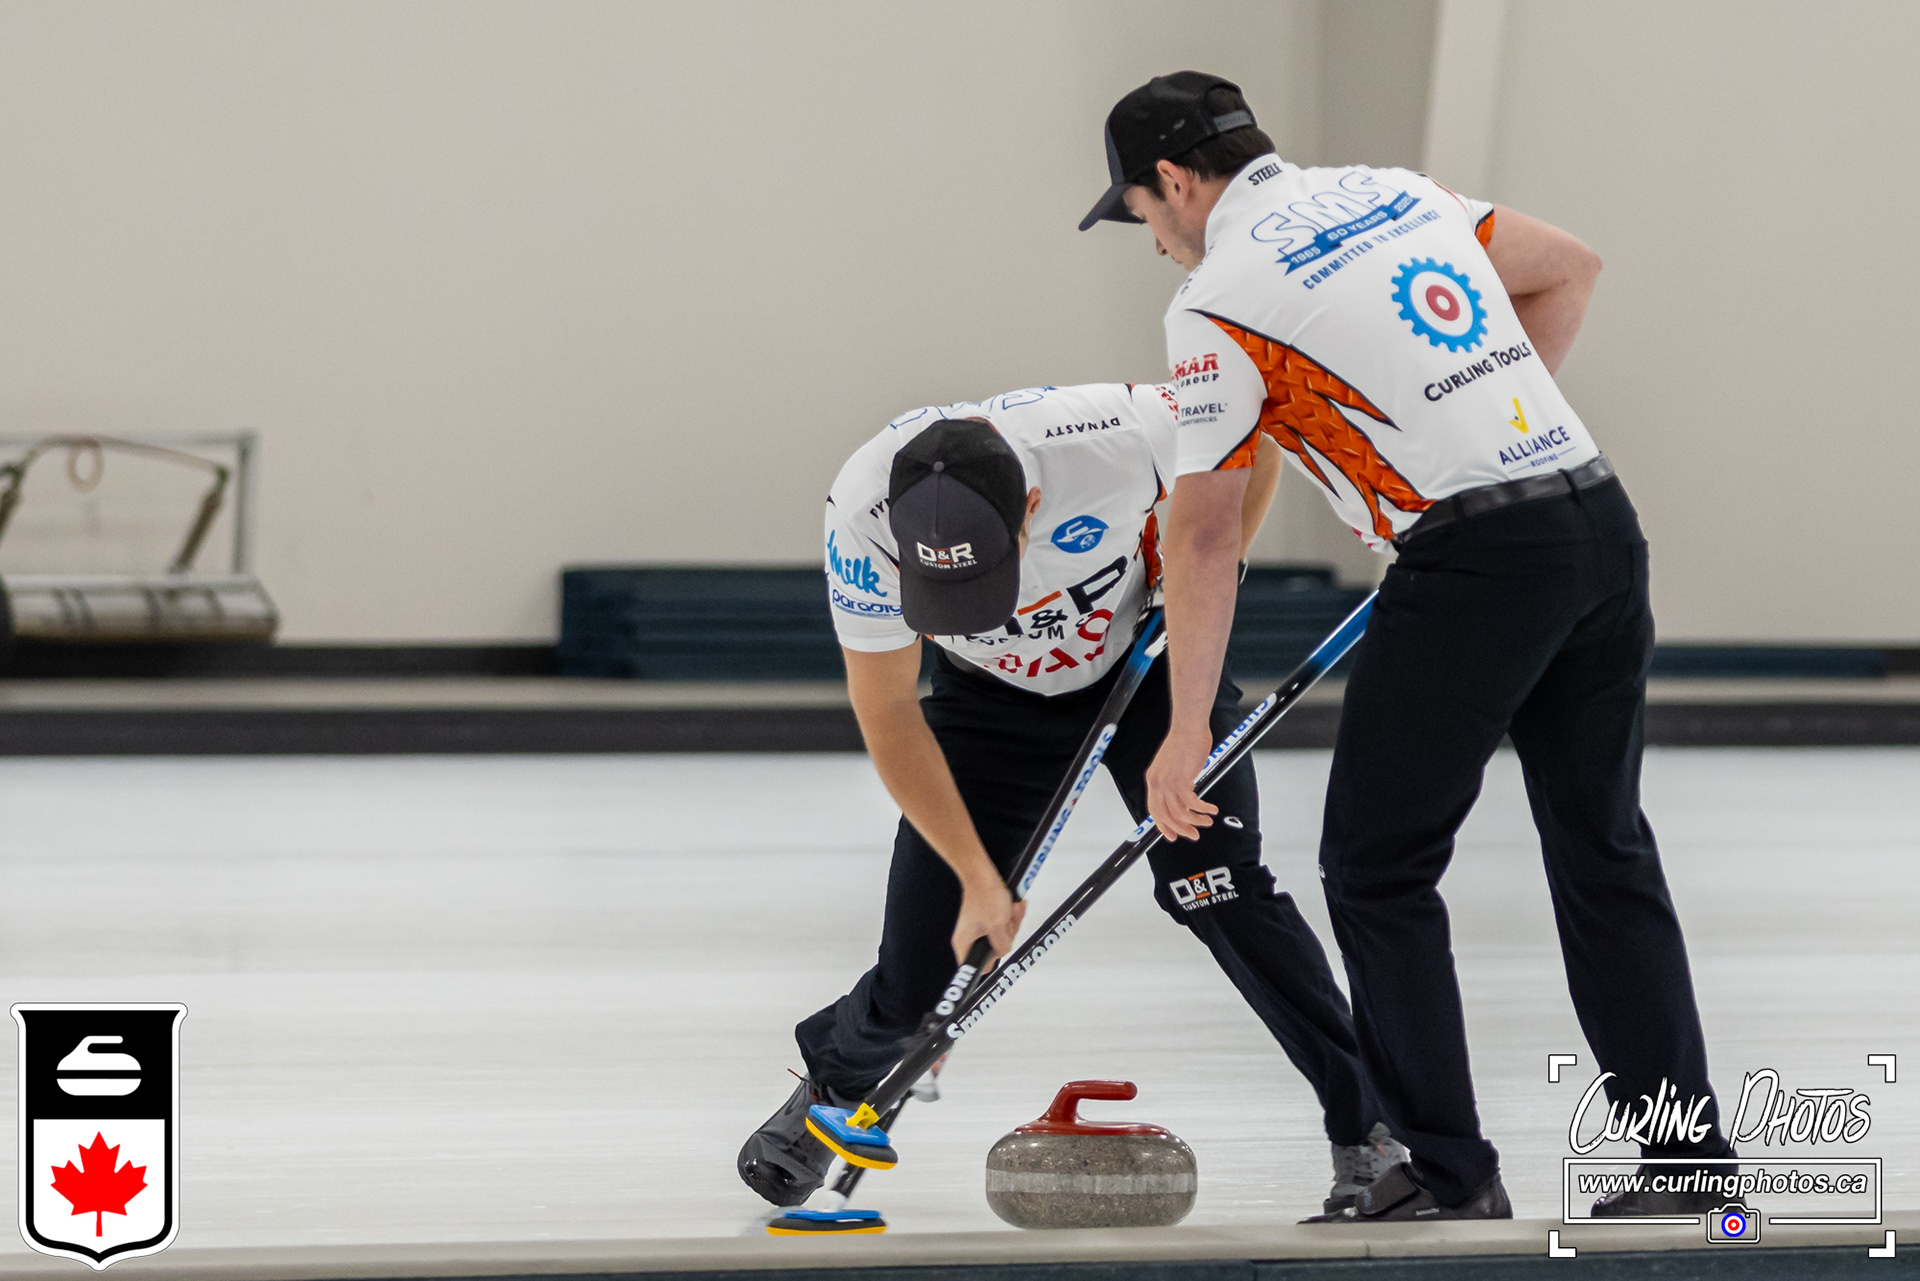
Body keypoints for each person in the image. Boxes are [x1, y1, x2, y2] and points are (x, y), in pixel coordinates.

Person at [1079, 72, 1736, 1221]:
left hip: (1475, 563)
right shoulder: (1394, 192)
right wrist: (1476, 436)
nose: (1154, 241)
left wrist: (1186, 737)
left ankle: (1445, 1173)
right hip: (1592, 520)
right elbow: (1569, 266)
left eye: (1140, 212)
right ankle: (1689, 1167)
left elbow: (1206, 534)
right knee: (1603, 848)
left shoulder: (1215, 301)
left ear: (1174, 182)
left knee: (1376, 869)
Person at [737, 383, 1405, 1217]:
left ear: (1033, 503)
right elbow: (889, 710)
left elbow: (1255, 439)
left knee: (1221, 887)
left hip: (1151, 661)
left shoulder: (1119, 435)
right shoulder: (861, 518)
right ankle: (837, 1078)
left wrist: (1202, 584)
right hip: (990, 701)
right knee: (924, 973)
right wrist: (978, 878)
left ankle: (1370, 1128)